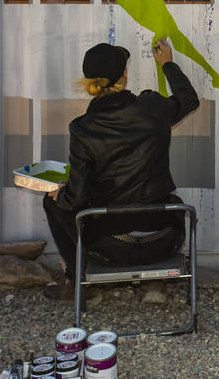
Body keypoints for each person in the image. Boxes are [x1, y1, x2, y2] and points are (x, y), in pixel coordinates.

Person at [42, 38, 199, 302]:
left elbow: (76, 198)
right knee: (173, 202)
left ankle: (75, 283)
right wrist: (168, 64)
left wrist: (61, 194)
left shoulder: (83, 129)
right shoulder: (152, 108)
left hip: (111, 246)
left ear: (89, 81)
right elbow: (188, 99)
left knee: (53, 203)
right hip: (163, 238)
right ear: (124, 75)